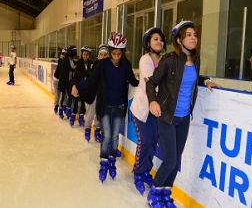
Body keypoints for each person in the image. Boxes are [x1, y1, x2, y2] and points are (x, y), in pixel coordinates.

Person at [146, 20, 218, 208]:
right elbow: (151, 83)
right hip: (167, 116)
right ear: (178, 40)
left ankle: (165, 193)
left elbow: (191, 78)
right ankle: (155, 192)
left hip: (184, 118)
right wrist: (152, 101)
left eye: (195, 34)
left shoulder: (196, 59)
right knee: (170, 160)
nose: (193, 38)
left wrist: (206, 80)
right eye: (188, 35)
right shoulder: (168, 60)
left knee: (176, 161)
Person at [71, 32, 139, 183]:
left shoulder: (126, 65)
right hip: (106, 107)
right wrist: (77, 86)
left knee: (114, 137)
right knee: (107, 136)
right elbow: (91, 81)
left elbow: (133, 81)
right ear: (109, 51)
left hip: (119, 106)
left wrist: (144, 81)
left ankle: (112, 161)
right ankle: (103, 162)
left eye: (119, 53)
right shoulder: (102, 65)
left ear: (123, 52)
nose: (116, 56)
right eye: (113, 53)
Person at [130, 27, 166, 195]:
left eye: (161, 39)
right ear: (148, 43)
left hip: (157, 111)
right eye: (155, 39)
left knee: (152, 143)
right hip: (142, 110)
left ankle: (146, 171)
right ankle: (138, 172)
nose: (159, 42)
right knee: (144, 141)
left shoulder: (166, 60)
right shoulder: (145, 59)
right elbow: (153, 81)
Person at [84, 44, 109, 142]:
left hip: (102, 95)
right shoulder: (95, 65)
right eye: (101, 54)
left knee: (99, 114)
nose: (102, 56)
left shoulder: (110, 67)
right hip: (93, 94)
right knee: (90, 114)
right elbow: (90, 80)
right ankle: (87, 129)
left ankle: (97, 132)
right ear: (98, 56)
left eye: (105, 55)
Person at [70, 46, 94, 127]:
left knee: (83, 103)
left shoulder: (91, 63)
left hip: (86, 87)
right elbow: (76, 75)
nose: (85, 56)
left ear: (89, 55)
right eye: (84, 54)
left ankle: (81, 118)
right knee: (76, 102)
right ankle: (72, 117)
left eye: (87, 55)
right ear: (82, 54)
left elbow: (91, 74)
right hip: (78, 86)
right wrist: (74, 85)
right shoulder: (79, 63)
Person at [58, 45, 77, 119]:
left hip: (69, 81)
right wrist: (77, 65)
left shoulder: (70, 59)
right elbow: (72, 67)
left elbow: (72, 67)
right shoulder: (66, 60)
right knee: (63, 96)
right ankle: (60, 110)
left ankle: (67, 109)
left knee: (69, 96)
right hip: (64, 81)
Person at [53, 47, 67, 114]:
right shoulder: (61, 60)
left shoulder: (62, 60)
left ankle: (60, 106)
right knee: (58, 94)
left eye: (65, 54)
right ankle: (57, 106)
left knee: (62, 95)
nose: (64, 55)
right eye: (63, 54)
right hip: (57, 80)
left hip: (60, 79)